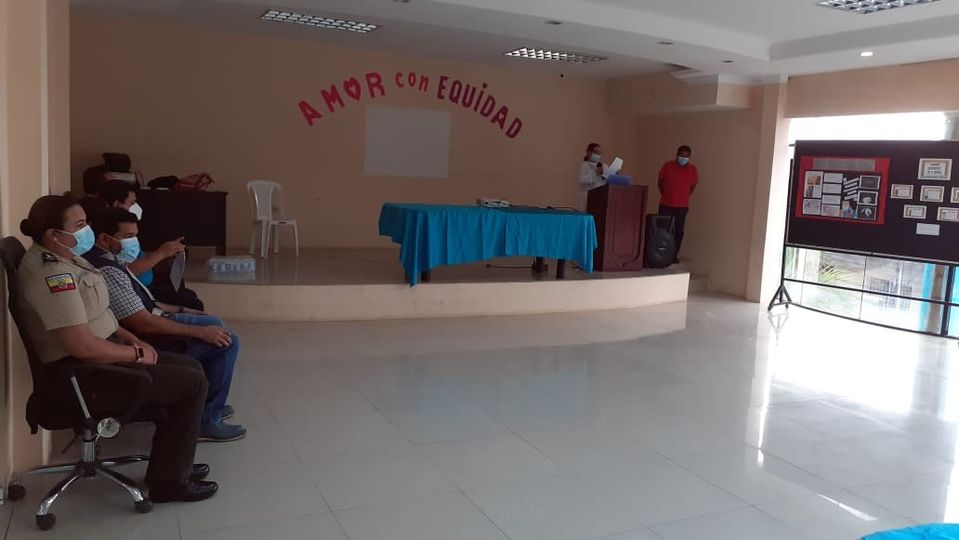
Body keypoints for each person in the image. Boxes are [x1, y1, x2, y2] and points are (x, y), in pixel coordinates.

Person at [15, 195, 217, 502]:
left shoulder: (69, 258)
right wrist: (135, 354)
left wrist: (133, 339)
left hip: (99, 357)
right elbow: (82, 345)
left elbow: (100, 314)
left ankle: (173, 464)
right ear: (53, 234)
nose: (88, 231)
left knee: (190, 367)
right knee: (191, 384)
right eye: (79, 225)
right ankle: (170, 482)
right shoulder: (53, 275)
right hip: (80, 376)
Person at [85, 207, 246, 442]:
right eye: (127, 236)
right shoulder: (106, 269)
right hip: (146, 339)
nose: (133, 242)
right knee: (227, 342)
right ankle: (206, 420)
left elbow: (147, 304)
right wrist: (201, 332)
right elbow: (144, 323)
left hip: (150, 323)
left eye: (135, 236)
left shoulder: (112, 260)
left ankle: (208, 406)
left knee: (214, 325)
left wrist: (182, 310)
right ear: (104, 239)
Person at [98, 180, 204, 310]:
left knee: (188, 294)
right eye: (132, 203)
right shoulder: (112, 235)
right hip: (140, 292)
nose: (136, 207)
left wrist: (167, 253)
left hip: (147, 285)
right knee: (191, 303)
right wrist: (161, 253)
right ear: (117, 204)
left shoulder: (129, 227)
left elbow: (138, 257)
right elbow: (125, 271)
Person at [657, 145, 699, 264]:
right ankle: (660, 254)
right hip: (666, 204)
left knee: (678, 231)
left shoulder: (692, 170)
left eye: (686, 156)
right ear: (677, 155)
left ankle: (673, 255)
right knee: (663, 230)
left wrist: (683, 196)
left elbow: (692, 187)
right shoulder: (667, 166)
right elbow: (660, 182)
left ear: (689, 157)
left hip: (682, 206)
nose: (683, 158)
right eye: (682, 155)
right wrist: (666, 193)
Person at [578, 142, 608, 209]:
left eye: (600, 153)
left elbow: (607, 180)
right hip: (587, 196)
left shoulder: (604, 166)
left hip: (601, 196)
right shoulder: (584, 165)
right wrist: (595, 174)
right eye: (596, 152)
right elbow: (582, 180)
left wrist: (614, 174)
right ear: (589, 152)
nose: (598, 155)